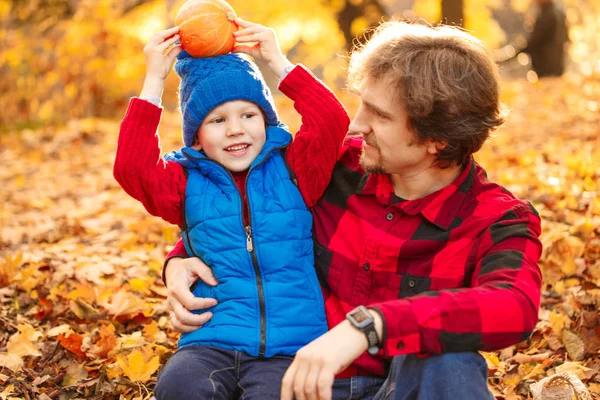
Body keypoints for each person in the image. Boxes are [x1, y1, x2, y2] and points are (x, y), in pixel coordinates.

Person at [164, 21, 543, 400]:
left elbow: (514, 305)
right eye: (362, 103)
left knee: (450, 363)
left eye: (380, 115)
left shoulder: (496, 219)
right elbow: (246, 212)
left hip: (402, 388)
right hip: (295, 385)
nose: (357, 123)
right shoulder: (332, 166)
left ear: (436, 139)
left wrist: (370, 326)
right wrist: (178, 261)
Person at [113, 18, 350, 400]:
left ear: (266, 118)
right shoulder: (186, 182)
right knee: (178, 386)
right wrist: (153, 82)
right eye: (218, 120)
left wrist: (278, 61)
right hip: (211, 341)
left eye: (249, 115)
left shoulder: (294, 169)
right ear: (197, 135)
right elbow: (131, 169)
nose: (236, 130)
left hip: (291, 348)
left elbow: (330, 120)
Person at [499, 0, 569, 77]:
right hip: (556, 67)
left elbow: (533, 42)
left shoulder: (548, 15)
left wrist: (508, 56)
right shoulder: (557, 12)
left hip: (546, 68)